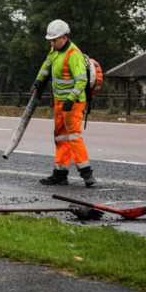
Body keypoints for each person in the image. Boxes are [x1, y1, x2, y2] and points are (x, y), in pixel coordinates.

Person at [31, 19, 95, 187]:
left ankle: (87, 174)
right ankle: (60, 174)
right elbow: (46, 66)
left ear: (64, 37)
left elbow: (81, 82)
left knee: (73, 136)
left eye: (54, 40)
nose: (51, 43)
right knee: (60, 137)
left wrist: (70, 99)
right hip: (60, 102)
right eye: (50, 40)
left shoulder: (74, 55)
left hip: (73, 103)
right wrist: (38, 81)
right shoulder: (54, 50)